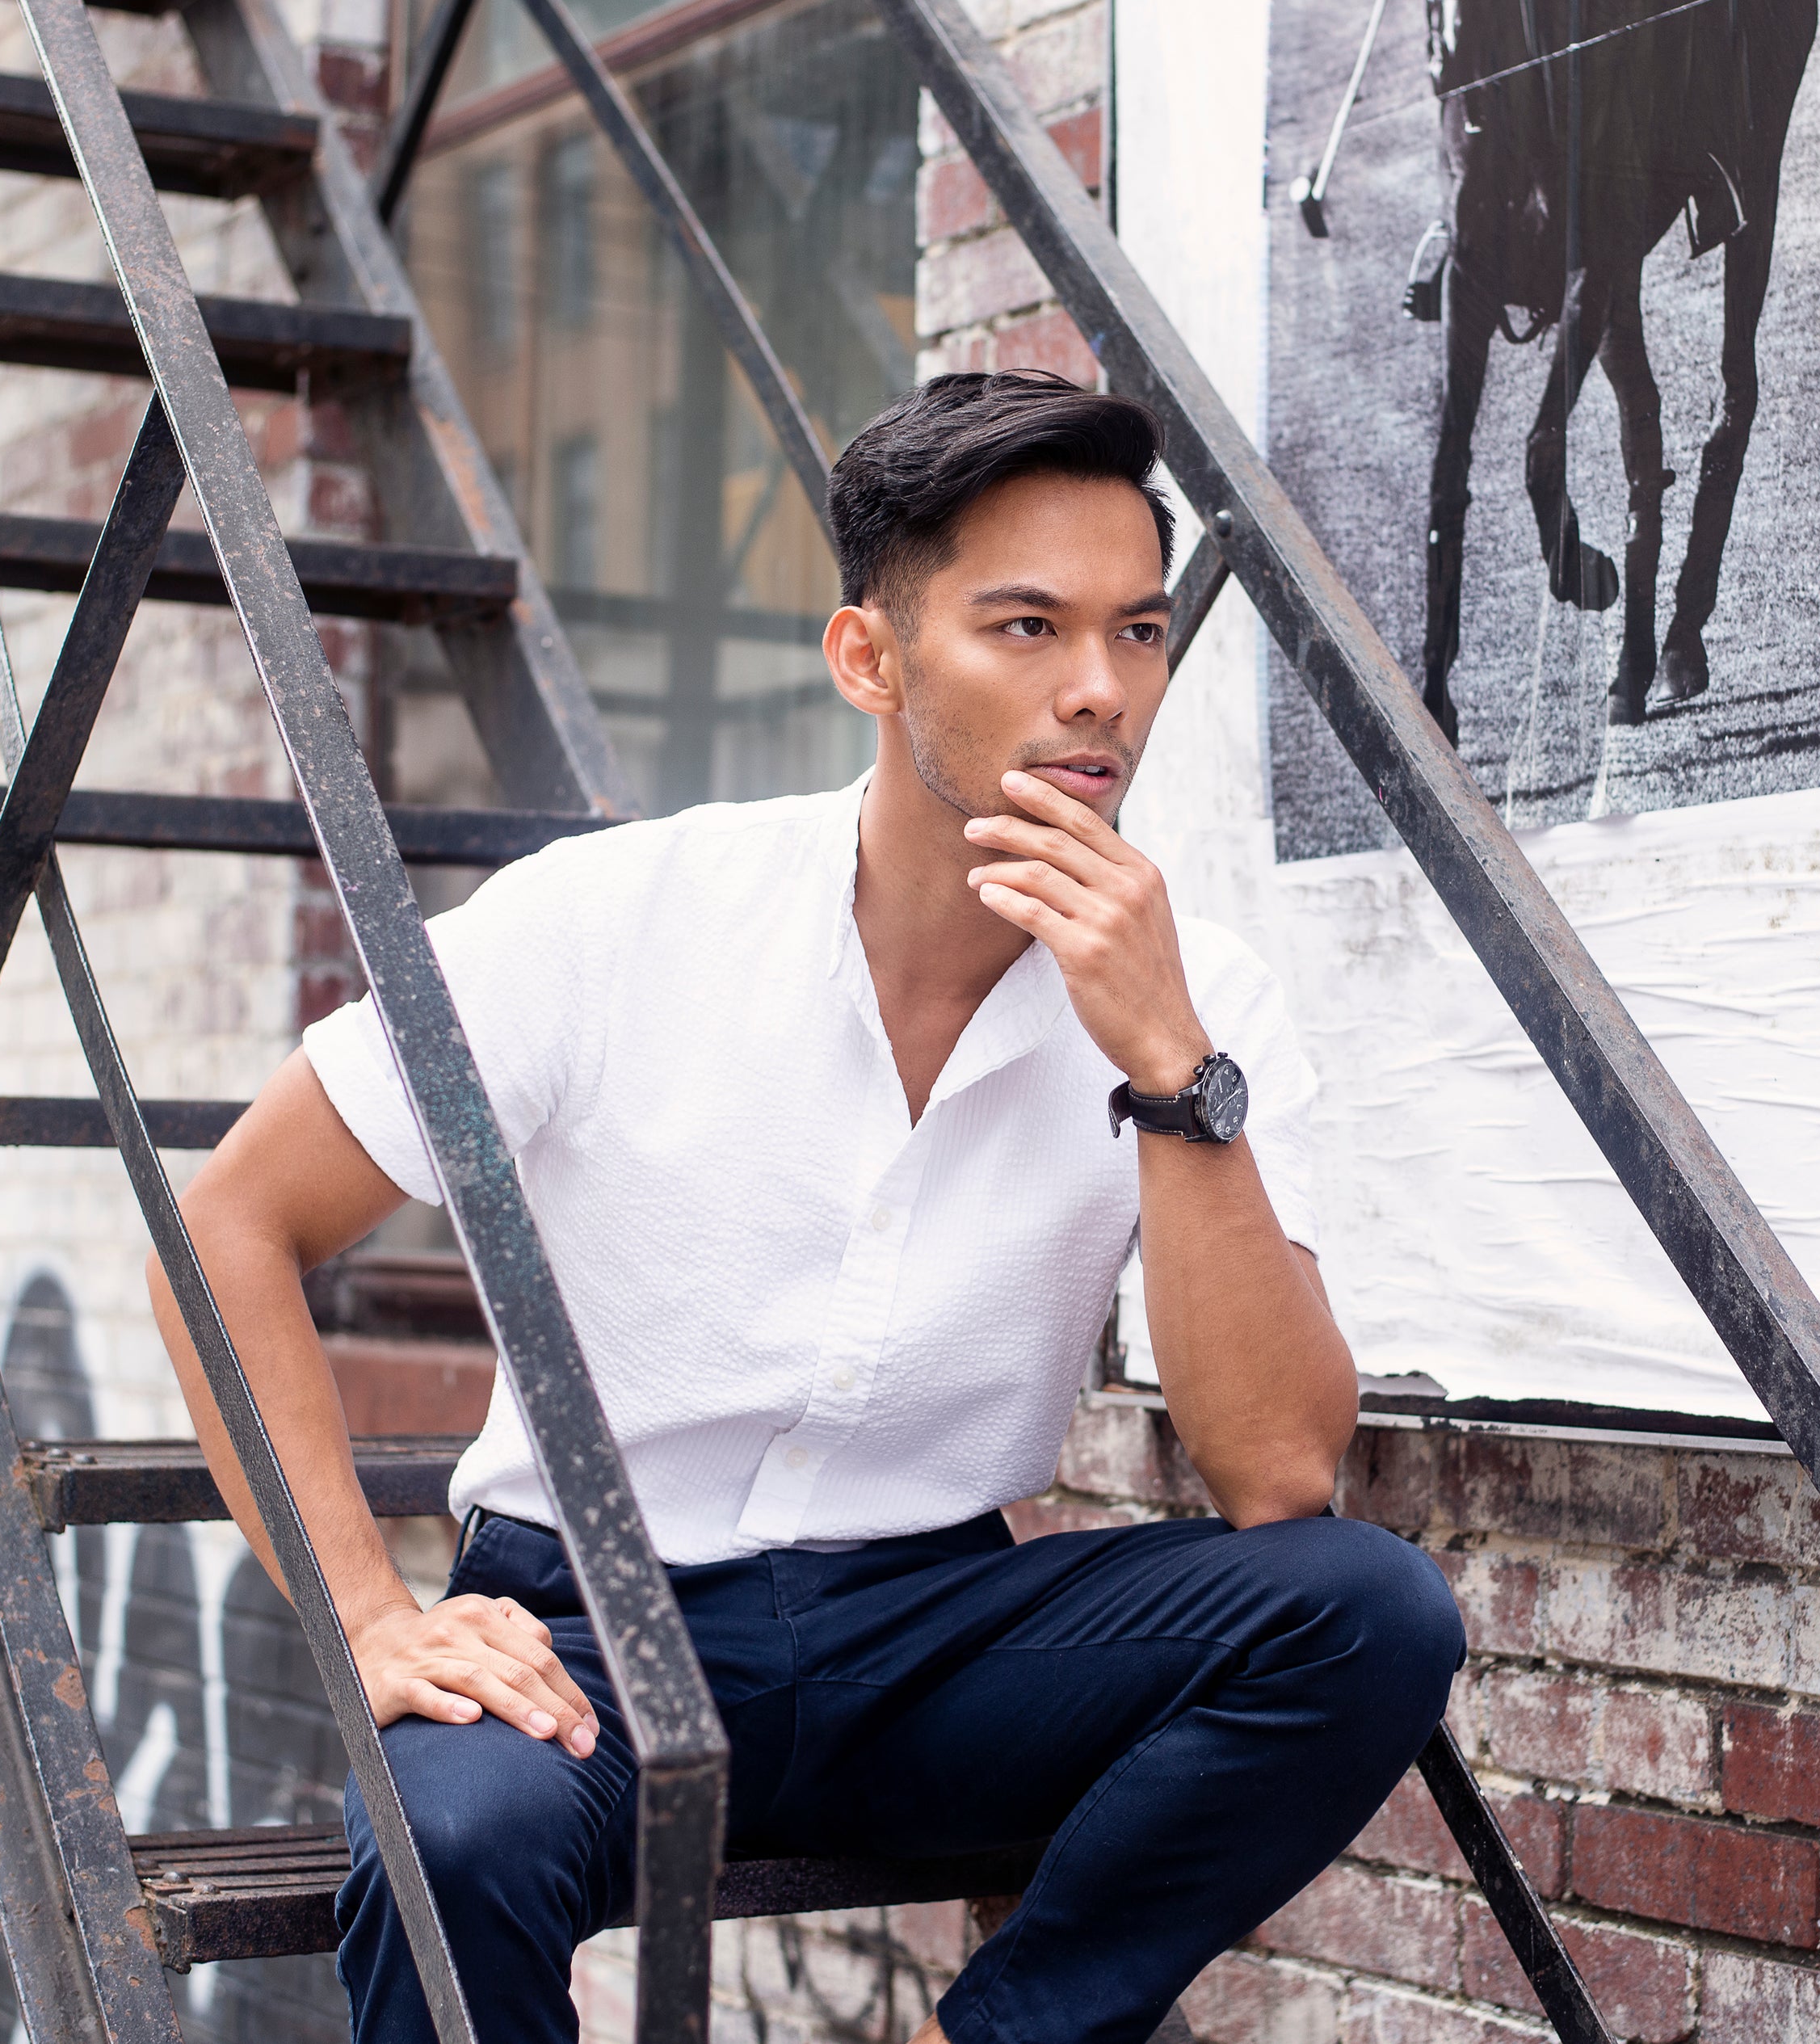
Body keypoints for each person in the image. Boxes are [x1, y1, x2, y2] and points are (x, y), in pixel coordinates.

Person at [148, 370, 1467, 2044]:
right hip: (591, 1628)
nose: (1099, 690)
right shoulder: (621, 918)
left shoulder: (1201, 999)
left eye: (1137, 633)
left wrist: (1164, 1067)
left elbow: (1278, 1476)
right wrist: (364, 1617)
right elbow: (228, 1228)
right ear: (870, 658)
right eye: (1027, 627)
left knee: (1369, 1614)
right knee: (452, 1841)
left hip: (933, 1639)